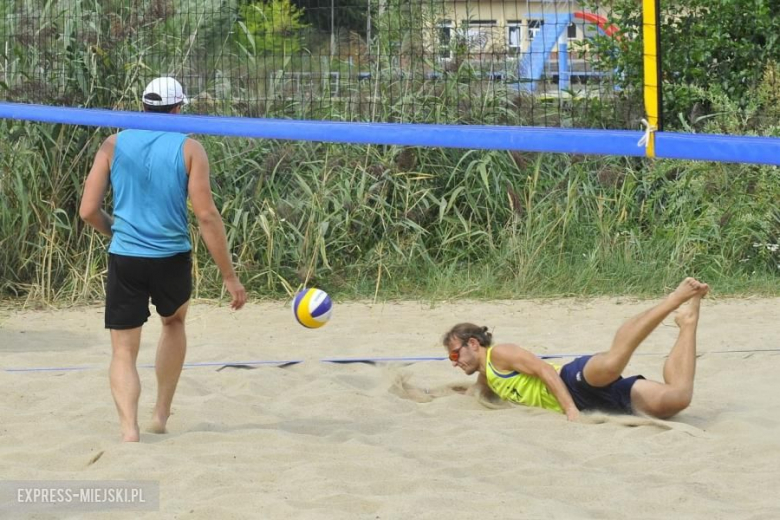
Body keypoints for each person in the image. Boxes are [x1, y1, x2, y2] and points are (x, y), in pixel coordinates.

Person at [79, 77, 247, 442]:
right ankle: (160, 415)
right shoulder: (190, 148)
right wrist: (230, 277)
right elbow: (206, 216)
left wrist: (118, 232)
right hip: (171, 256)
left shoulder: (113, 143)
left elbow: (88, 210)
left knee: (123, 350)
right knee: (173, 324)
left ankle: (129, 431)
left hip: (126, 256)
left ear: (142, 107)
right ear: (178, 109)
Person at [442, 278, 709, 421]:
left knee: (614, 360)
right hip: (595, 403)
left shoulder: (500, 354)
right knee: (679, 398)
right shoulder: (486, 376)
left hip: (573, 381)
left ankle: (673, 300)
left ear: (474, 344)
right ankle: (688, 322)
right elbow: (472, 394)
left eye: (455, 354)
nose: (454, 362)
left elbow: (545, 370)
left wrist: (570, 410)